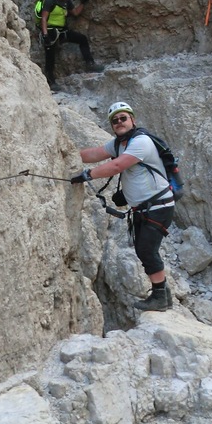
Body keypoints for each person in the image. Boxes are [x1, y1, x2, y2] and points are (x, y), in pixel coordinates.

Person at [71, 102, 176, 311]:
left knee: (146, 249)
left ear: (132, 120)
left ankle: (160, 297)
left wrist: (88, 175)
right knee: (145, 249)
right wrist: (68, 152)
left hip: (158, 206)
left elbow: (117, 165)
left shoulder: (141, 142)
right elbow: (96, 153)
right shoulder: (119, 143)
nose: (119, 122)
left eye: (123, 118)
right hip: (145, 208)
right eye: (115, 120)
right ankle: (164, 295)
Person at [39, 0, 103, 89]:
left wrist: (82, 3)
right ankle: (51, 82)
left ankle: (90, 64)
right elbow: (44, 18)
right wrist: (45, 35)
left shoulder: (66, 1)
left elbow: (75, 13)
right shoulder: (50, 0)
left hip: (62, 32)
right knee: (50, 56)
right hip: (51, 31)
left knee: (82, 39)